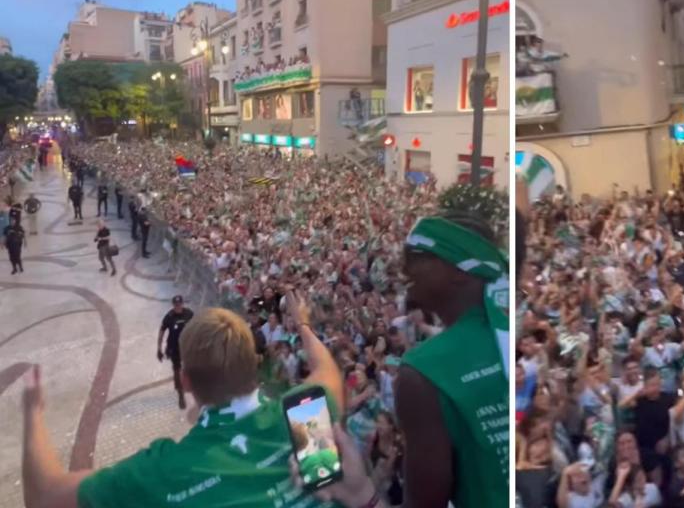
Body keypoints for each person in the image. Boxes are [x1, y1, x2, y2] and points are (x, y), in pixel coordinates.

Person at [19, 294, 386, 508]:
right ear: (256, 365)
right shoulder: (306, 414)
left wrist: (33, 415)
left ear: (186, 381)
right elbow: (329, 373)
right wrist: (303, 325)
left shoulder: (163, 470)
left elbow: (44, 495)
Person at [396, 212, 510, 507]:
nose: (403, 267)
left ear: (459, 272)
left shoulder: (423, 372)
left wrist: (359, 494)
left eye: (418, 254)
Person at [158, 295, 195, 410]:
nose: (178, 307)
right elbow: (162, 330)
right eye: (176, 305)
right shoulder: (169, 317)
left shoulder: (189, 314)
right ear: (173, 305)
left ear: (182, 304)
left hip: (188, 347)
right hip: (174, 348)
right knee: (176, 370)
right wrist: (158, 348)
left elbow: (197, 326)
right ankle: (180, 394)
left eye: (180, 304)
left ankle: (196, 389)